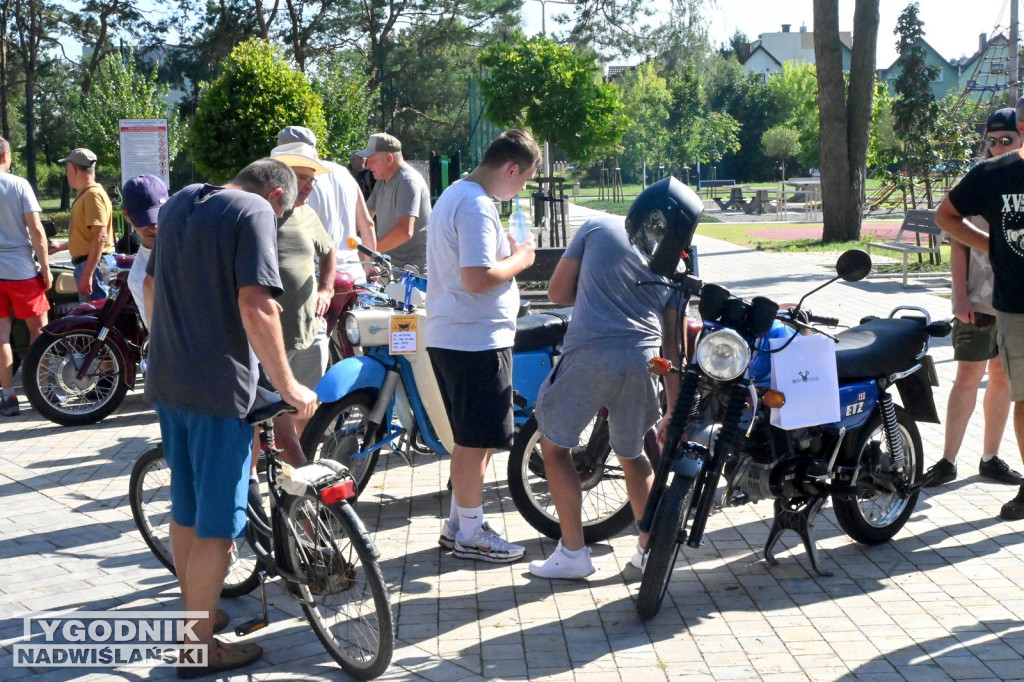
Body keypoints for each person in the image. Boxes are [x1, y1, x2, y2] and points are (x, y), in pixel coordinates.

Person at [143, 158, 317, 677]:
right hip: (219, 391)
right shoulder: (255, 212)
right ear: (277, 198)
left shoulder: (178, 202)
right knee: (219, 523)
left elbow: (151, 288)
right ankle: (199, 648)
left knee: (187, 508)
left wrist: (177, 340)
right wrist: (288, 385)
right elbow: (257, 305)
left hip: (169, 380)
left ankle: (197, 613)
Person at [528, 178, 696, 580]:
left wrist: (595, 291)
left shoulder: (597, 227)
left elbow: (556, 291)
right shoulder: (678, 263)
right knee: (633, 453)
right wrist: (675, 409)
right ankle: (647, 550)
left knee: (554, 448)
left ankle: (573, 552)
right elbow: (674, 347)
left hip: (589, 354)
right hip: (644, 360)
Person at [426, 129, 539, 563]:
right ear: (510, 169)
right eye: (525, 179)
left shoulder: (454, 193)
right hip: (474, 339)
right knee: (476, 442)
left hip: (455, 335)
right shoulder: (476, 205)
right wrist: (522, 259)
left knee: (472, 440)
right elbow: (477, 278)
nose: (522, 187)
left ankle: (459, 524)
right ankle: (471, 532)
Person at [936, 98, 1024, 520]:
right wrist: (959, 295)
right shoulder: (984, 179)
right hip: (984, 299)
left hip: (1009, 301)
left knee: (1004, 380)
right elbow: (953, 235)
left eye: (1006, 139)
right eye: (992, 141)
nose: (998, 147)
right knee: (969, 376)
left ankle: (990, 457)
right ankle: (948, 460)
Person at [268, 140, 337, 460]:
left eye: (312, 179)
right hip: (267, 336)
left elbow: (329, 251)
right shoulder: (258, 213)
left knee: (307, 404)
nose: (309, 186)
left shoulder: (308, 214)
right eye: (302, 178)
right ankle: (272, 466)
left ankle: (291, 464)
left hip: (309, 331)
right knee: (266, 410)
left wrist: (326, 289)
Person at [277, 126, 376, 282]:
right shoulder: (343, 172)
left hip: (319, 279)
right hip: (354, 276)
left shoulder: (296, 181)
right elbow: (367, 224)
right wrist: (370, 267)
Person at [0, 136, 51, 417]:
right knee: (40, 332)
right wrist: (45, 268)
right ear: (6, 156)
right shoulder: (19, 185)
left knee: (1, 337)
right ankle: (42, 389)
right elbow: (37, 231)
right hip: (22, 271)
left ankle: (8, 397)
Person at [357, 133, 430, 272]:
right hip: (389, 270)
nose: (367, 165)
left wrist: (369, 251)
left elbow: (404, 231)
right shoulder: (381, 181)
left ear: (389, 158)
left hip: (413, 275)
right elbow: (363, 218)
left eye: (371, 159)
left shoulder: (407, 182)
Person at [60, 148, 115, 301]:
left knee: (94, 320)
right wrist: (61, 246)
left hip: (93, 267)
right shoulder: (88, 193)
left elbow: (100, 236)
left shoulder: (92, 195)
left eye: (67, 169)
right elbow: (89, 236)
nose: (67, 174)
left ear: (75, 169)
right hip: (91, 265)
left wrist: (87, 274)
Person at [121, 174, 169, 329]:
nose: (154, 227)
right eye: (145, 220)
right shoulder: (138, 277)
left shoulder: (199, 243)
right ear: (126, 215)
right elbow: (160, 334)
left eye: (158, 217)